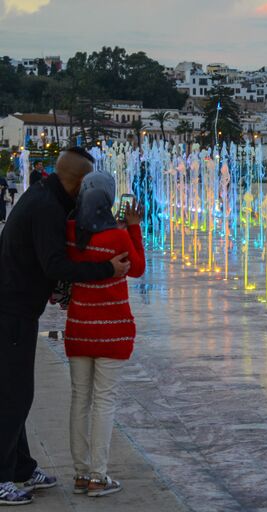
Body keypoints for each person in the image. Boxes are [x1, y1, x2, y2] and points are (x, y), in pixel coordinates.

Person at [0, 148, 130, 506]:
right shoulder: (46, 208)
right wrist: (107, 270)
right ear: (78, 181)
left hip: (17, 309)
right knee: (12, 396)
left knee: (16, 393)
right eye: (87, 181)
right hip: (11, 310)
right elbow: (55, 264)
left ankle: (22, 468)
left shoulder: (44, 195)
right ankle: (2, 477)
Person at [65, 173, 145, 498]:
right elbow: (138, 268)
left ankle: (82, 474)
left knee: (79, 400)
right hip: (112, 332)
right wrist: (134, 226)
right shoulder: (118, 237)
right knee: (104, 401)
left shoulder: (70, 234)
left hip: (79, 328)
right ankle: (99, 476)